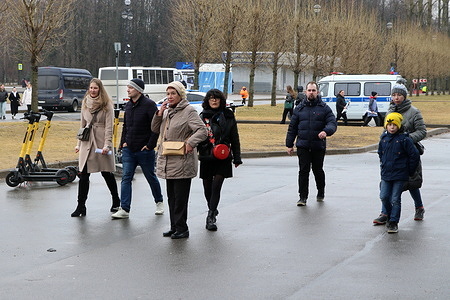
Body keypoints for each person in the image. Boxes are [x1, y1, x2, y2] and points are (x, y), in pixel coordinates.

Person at [151, 81, 208, 239]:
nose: (169, 97)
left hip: (182, 159)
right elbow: (155, 130)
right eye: (168, 94)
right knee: (172, 196)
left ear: (180, 95)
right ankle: (174, 226)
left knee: (180, 198)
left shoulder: (189, 111)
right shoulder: (168, 111)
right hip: (168, 158)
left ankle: (182, 228)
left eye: (173, 93)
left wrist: (190, 143)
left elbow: (202, 131)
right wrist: (159, 114)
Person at [373, 80, 427, 224]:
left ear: (404, 96)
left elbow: (422, 131)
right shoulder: (390, 110)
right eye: (394, 95)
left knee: (411, 183)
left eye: (399, 95)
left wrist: (406, 138)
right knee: (387, 185)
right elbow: (386, 129)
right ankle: (385, 212)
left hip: (408, 153)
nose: (396, 98)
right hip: (392, 155)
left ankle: (419, 207)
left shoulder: (414, 112)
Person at [111, 78, 164, 219]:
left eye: (131, 88)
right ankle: (125, 209)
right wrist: (123, 143)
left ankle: (159, 202)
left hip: (144, 150)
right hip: (129, 149)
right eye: (128, 87)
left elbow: (155, 127)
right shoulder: (128, 105)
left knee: (150, 177)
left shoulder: (149, 105)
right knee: (126, 177)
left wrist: (150, 145)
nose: (128, 90)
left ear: (139, 90)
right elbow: (126, 126)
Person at [71, 78, 120, 217]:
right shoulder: (85, 103)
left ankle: (116, 200)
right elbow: (82, 125)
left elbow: (109, 127)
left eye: (95, 88)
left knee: (106, 172)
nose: (93, 90)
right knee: (84, 174)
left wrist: (107, 144)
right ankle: (81, 206)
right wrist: (78, 144)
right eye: (91, 88)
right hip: (87, 142)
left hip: (100, 141)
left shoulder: (107, 105)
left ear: (100, 89)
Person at [286, 81, 337, 206]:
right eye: (309, 90)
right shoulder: (299, 109)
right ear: (305, 92)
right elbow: (292, 127)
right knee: (303, 171)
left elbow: (332, 123)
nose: (311, 93)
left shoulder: (324, 108)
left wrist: (326, 131)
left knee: (317, 170)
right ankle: (302, 197)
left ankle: (321, 191)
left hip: (318, 146)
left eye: (314, 91)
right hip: (303, 145)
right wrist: (289, 144)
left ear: (317, 92)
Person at [197, 89, 242, 231]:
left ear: (221, 100)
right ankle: (212, 207)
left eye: (216, 98)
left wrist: (237, 157)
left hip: (223, 155)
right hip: (206, 155)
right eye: (211, 98)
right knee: (207, 187)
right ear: (207, 101)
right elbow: (196, 135)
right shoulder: (202, 116)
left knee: (217, 185)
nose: (214, 101)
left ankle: (210, 216)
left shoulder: (228, 115)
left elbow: (235, 137)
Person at [377, 112, 420, 233]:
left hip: (400, 175)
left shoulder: (404, 140)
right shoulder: (384, 139)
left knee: (395, 198)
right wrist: (383, 164)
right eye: (389, 125)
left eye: (394, 125)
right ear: (386, 126)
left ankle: (393, 222)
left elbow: (414, 155)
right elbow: (380, 153)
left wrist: (409, 170)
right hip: (386, 174)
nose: (392, 127)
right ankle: (389, 215)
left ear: (399, 126)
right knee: (384, 196)